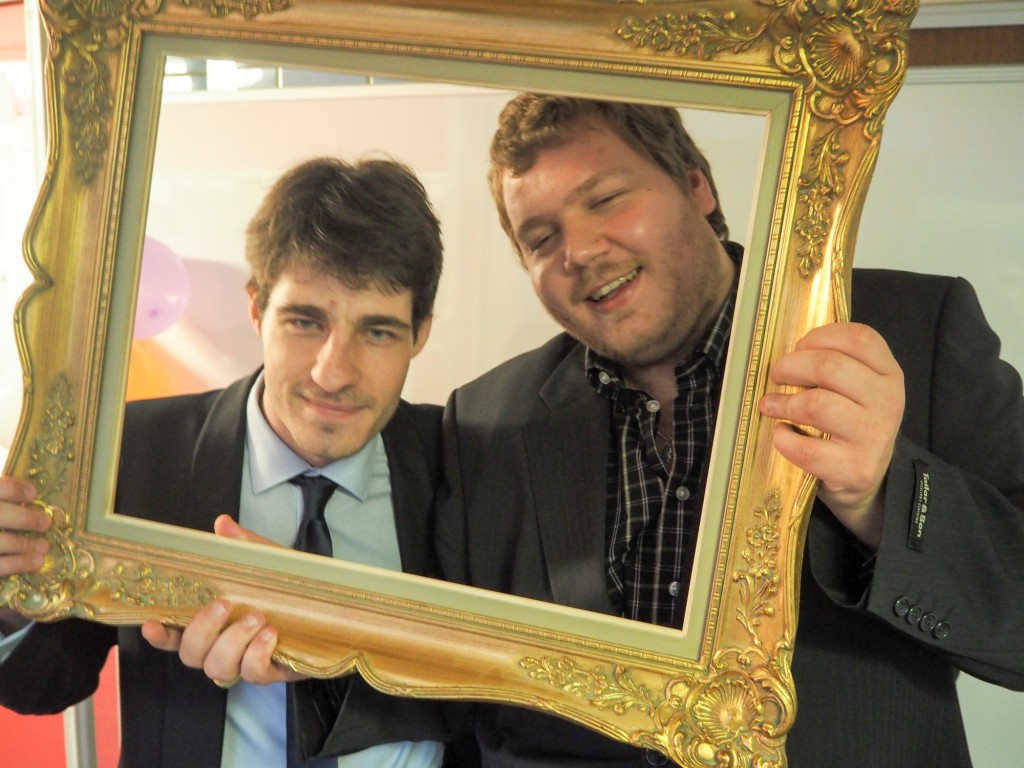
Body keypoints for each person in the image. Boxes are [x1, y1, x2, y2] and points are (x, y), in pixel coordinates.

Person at [425, 95, 1024, 766]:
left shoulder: (912, 329)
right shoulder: (482, 420)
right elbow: (460, 700)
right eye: (541, 238)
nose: (581, 250)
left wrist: (882, 495)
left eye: (606, 200)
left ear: (695, 185)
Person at [0, 157, 465, 767]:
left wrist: (331, 633)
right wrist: (11, 589)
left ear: (421, 331)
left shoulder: (461, 459)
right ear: (256, 308)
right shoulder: (134, 451)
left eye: (378, 332)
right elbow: (42, 683)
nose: (333, 373)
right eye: (305, 321)